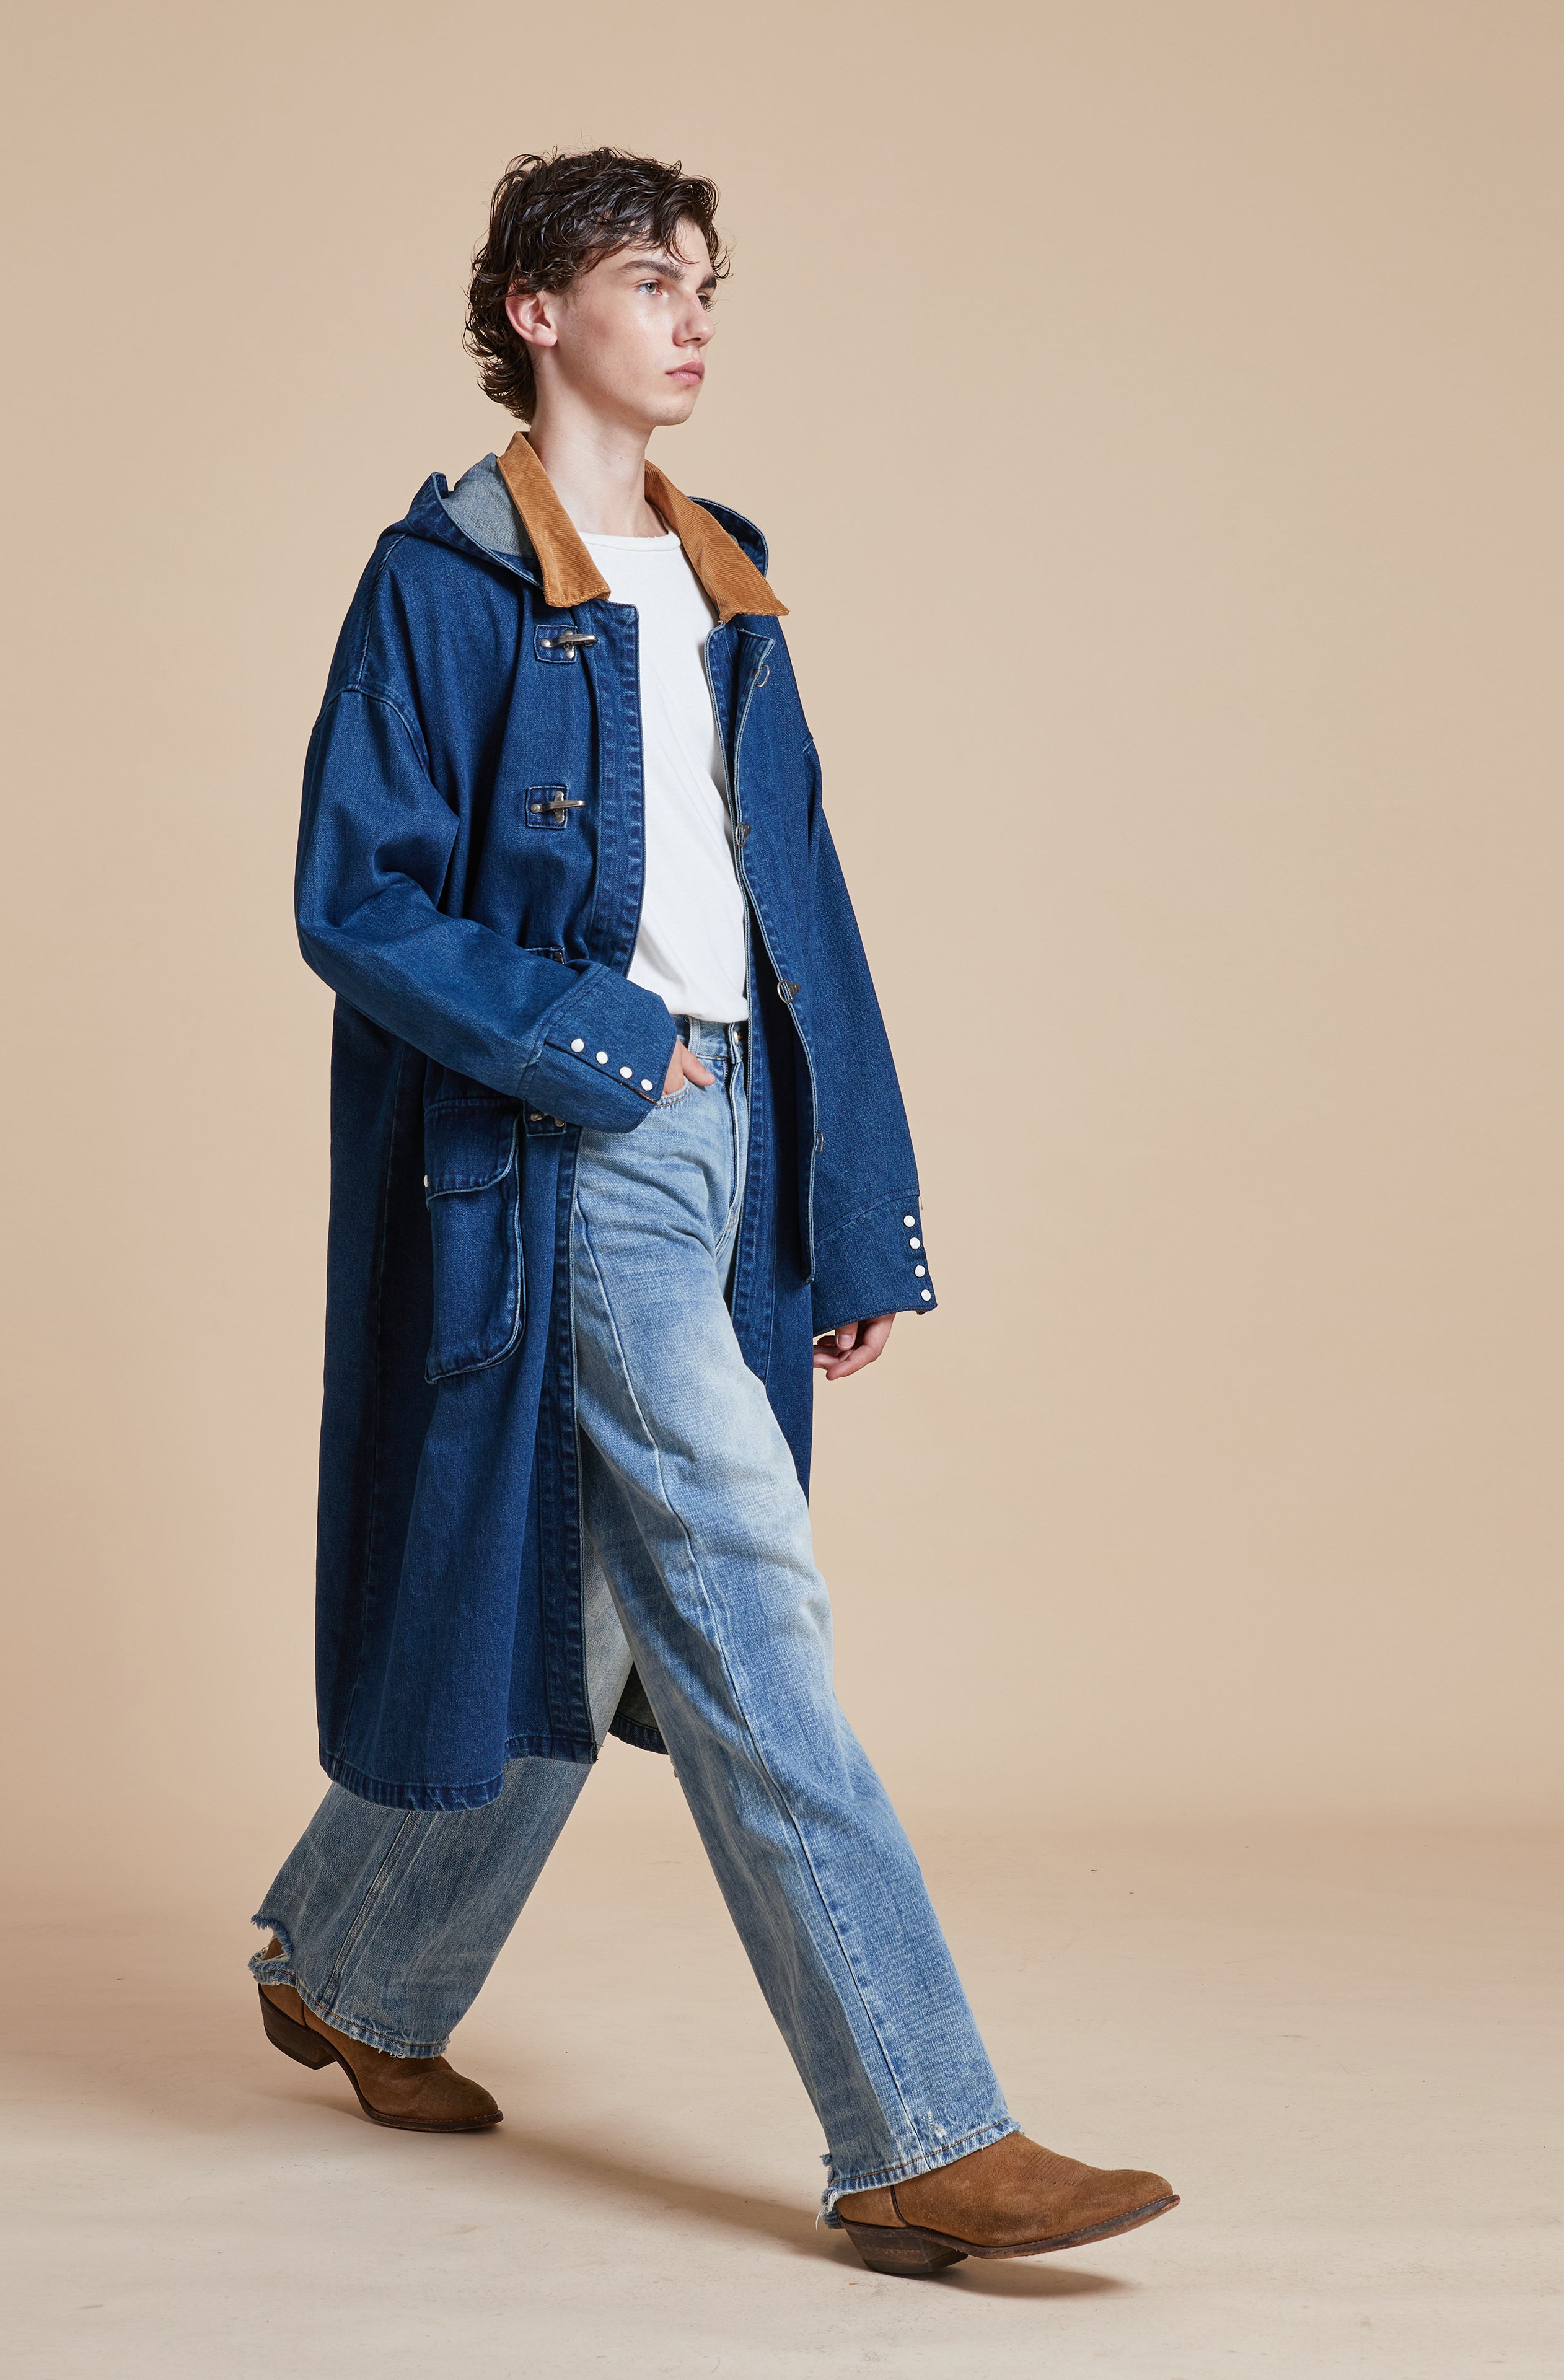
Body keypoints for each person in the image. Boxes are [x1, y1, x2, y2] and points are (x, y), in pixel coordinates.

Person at [250, 147, 1177, 2276]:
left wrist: (852, 1208)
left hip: (744, 1136)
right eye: (645, 280)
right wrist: (589, 1042)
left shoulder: (730, 571)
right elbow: (356, 899)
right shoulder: (449, 576)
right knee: (750, 1597)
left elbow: (805, 914)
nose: (690, 316)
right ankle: (919, 2130)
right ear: (530, 312)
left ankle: (355, 1965)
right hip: (575, 1137)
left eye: (704, 285)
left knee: (572, 1601)